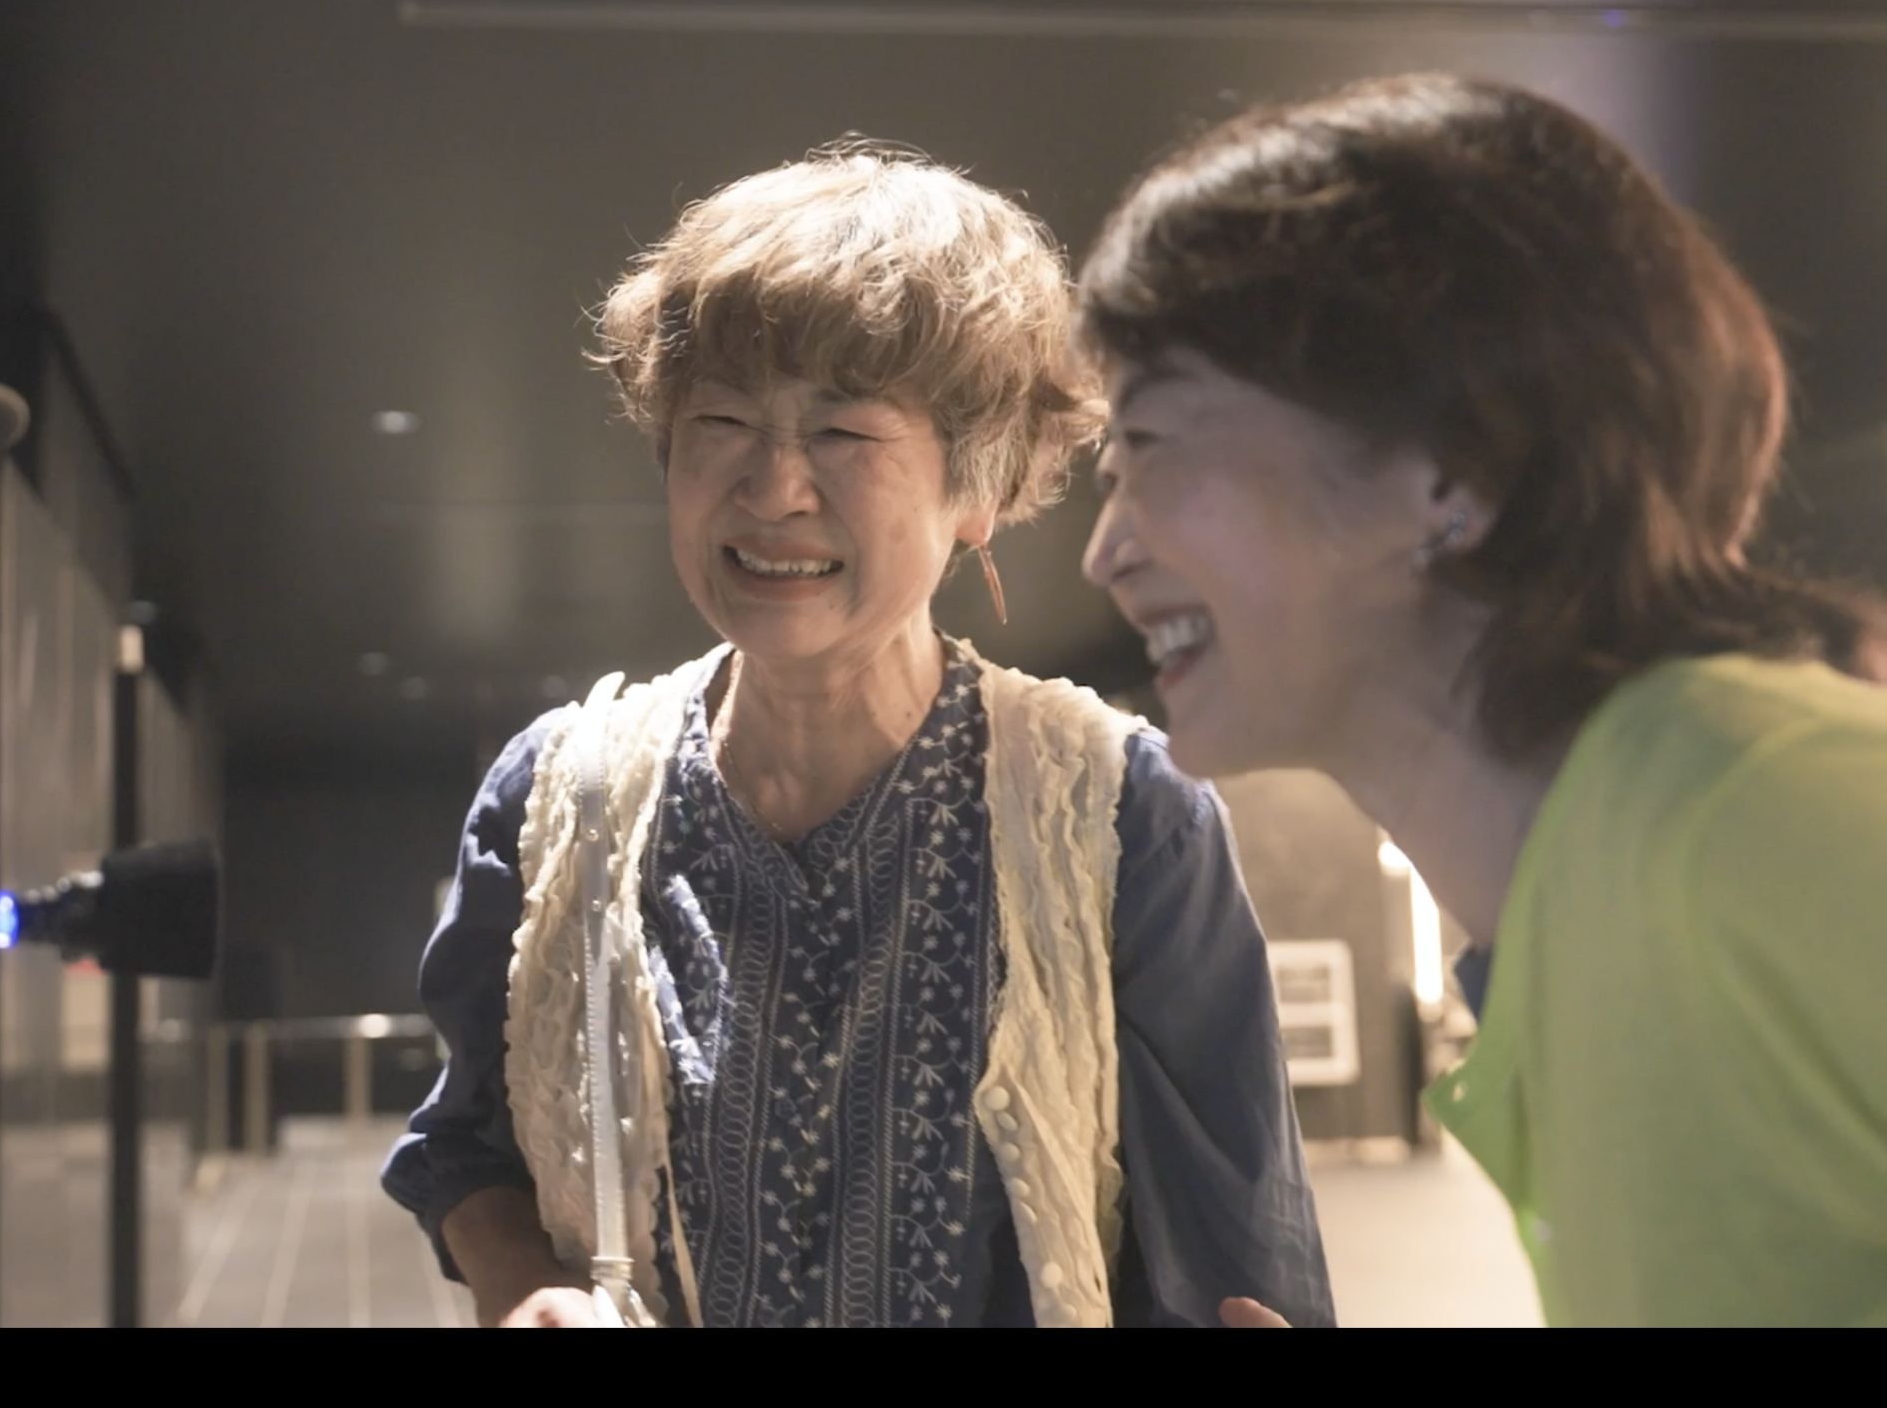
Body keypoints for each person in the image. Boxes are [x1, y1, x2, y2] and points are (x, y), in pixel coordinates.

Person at [381, 143, 1332, 1328]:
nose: (773, 488)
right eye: (720, 419)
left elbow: (1237, 1258)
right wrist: (530, 1292)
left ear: (975, 487)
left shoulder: (1113, 812)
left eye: (843, 432)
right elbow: (465, 1145)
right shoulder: (557, 798)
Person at [1076, 73, 1887, 1326]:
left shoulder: (1766, 809)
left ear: (1450, 471)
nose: (1105, 551)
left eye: (1153, 445)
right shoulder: (1574, 906)